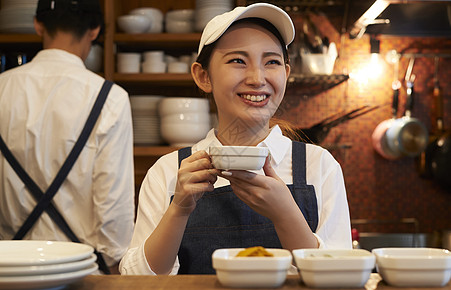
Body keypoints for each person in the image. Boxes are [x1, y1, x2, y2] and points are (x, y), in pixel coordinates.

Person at [120, 3, 351, 275]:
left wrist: (286, 214)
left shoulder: (319, 165)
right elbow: (137, 282)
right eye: (238, 61)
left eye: (272, 62)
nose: (257, 78)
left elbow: (341, 277)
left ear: (286, 74)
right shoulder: (167, 171)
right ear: (203, 76)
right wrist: (179, 210)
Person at [0, 0, 135, 274]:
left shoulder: (2, 89)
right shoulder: (110, 98)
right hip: (81, 273)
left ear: (38, 24)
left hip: (7, 271)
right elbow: (115, 217)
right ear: (95, 30)